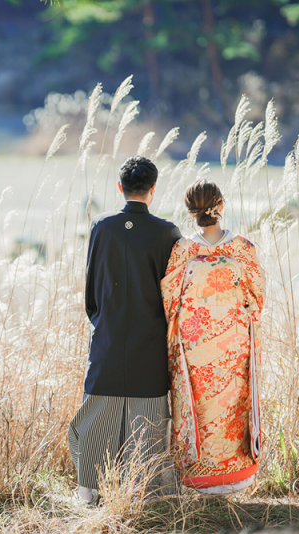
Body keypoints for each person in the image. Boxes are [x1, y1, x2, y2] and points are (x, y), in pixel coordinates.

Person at [68, 156, 182, 504]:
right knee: (148, 418)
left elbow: (91, 290)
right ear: (153, 189)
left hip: (108, 336)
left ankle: (87, 491)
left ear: (120, 188)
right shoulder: (168, 232)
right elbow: (173, 293)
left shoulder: (101, 226)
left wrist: (103, 321)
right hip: (150, 339)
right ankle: (144, 491)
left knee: (96, 415)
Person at [160, 180, 264, 495]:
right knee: (233, 407)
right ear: (221, 205)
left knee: (196, 408)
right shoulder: (243, 249)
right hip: (235, 345)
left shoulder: (183, 250)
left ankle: (197, 478)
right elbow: (257, 300)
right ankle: (236, 477)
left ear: (190, 211)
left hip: (194, 349)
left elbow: (169, 301)